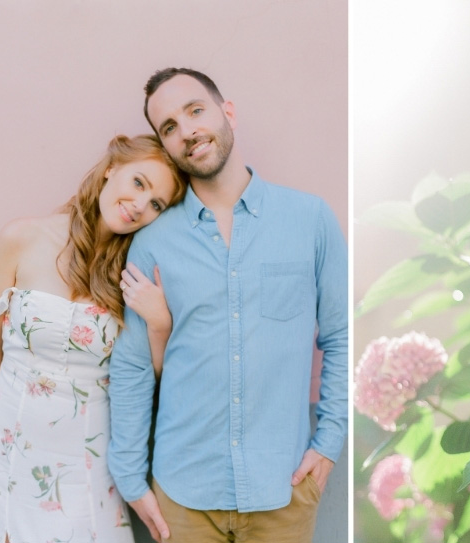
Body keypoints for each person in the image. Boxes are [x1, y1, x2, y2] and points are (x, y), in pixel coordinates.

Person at [107, 67, 348, 543]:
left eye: (195, 111)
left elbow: (340, 338)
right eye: (169, 127)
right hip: (182, 497)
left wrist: (330, 441)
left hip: (284, 491)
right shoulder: (153, 242)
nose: (187, 130)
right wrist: (130, 478)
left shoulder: (310, 219)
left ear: (227, 112)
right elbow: (133, 368)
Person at [0, 134, 187, 543]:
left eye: (156, 204)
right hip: (2, 448)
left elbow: (147, 378)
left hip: (87, 464)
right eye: (139, 183)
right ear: (112, 167)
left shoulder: (138, 272)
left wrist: (159, 325)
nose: (140, 205)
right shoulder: (21, 237)